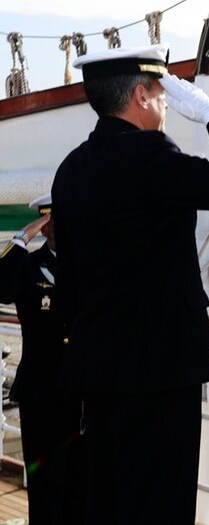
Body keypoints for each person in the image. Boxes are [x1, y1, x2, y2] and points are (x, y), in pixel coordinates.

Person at [51, 44, 209, 523]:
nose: (170, 102)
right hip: (161, 373)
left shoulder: (71, 169)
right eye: (163, 91)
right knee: (161, 504)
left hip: (99, 369)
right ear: (140, 95)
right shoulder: (151, 157)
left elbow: (66, 283)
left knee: (109, 500)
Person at [0, 195, 83, 524]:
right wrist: (22, 238)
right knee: (43, 473)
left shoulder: (88, 264)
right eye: (50, 223)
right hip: (40, 390)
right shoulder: (28, 266)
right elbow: (1, 288)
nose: (58, 229)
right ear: (45, 226)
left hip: (82, 388)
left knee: (80, 474)